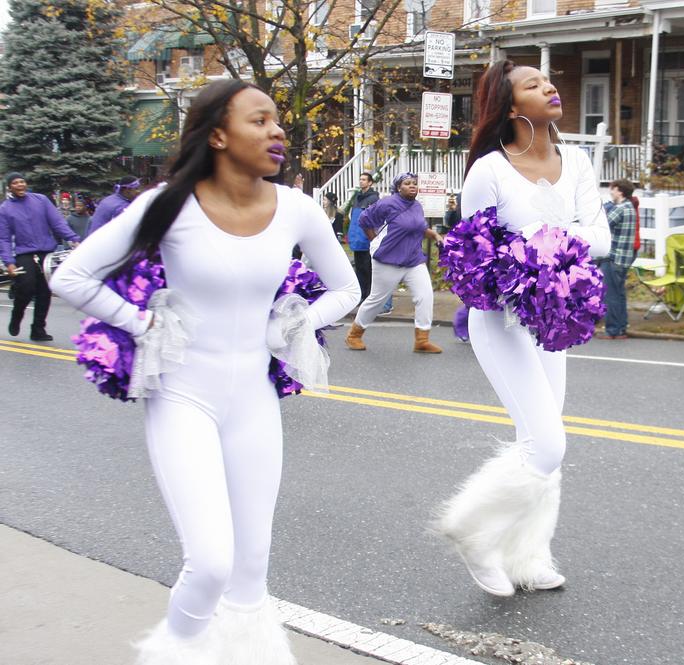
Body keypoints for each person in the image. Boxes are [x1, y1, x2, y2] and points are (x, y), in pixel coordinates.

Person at [49, 80, 361, 665]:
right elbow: (70, 277)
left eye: (277, 122)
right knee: (212, 561)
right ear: (217, 134)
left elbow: (348, 287)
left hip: (253, 401)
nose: (277, 132)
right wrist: (141, 325)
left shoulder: (296, 208)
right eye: (260, 121)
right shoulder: (168, 205)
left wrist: (292, 325)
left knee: (250, 571)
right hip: (184, 395)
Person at [433, 60, 610, 597]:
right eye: (534, 85)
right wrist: (551, 242)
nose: (551, 86)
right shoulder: (489, 171)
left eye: (549, 80)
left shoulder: (576, 161)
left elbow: (601, 239)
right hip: (501, 321)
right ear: (511, 108)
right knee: (548, 443)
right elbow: (471, 258)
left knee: (541, 442)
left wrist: (538, 242)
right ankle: (474, 533)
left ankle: (528, 556)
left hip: (550, 318)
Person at [344, 172, 443, 353]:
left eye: (414, 183)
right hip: (388, 260)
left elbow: (421, 228)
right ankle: (354, 335)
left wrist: (435, 235)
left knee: (425, 296)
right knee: (376, 301)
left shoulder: (417, 207)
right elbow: (364, 219)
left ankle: (422, 340)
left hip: (413, 260)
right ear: (398, 187)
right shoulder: (387, 203)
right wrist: (374, 240)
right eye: (407, 183)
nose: (412, 186)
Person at [1, 172, 81, 341]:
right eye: (15, 183)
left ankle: (38, 329)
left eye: (22, 181)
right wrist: (8, 262)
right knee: (26, 288)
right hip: (24, 253)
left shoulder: (40, 200)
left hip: (46, 252)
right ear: (10, 187)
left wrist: (73, 239)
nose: (20, 185)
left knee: (44, 292)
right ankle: (17, 316)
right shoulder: (5, 209)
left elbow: (57, 223)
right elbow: (4, 238)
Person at [597, 178, 637, 339]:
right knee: (619, 294)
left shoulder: (620, 209)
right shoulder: (629, 207)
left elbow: (602, 223)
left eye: (612, 189)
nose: (610, 192)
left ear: (620, 191)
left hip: (613, 258)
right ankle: (621, 327)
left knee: (611, 295)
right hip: (624, 258)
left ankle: (612, 330)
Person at [345, 172, 380, 300]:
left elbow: (374, 220)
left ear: (370, 182)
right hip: (357, 240)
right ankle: (361, 295)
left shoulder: (373, 198)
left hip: (366, 240)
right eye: (360, 179)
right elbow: (354, 219)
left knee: (368, 270)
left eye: (364, 180)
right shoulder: (357, 198)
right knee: (359, 270)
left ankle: (368, 296)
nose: (361, 182)